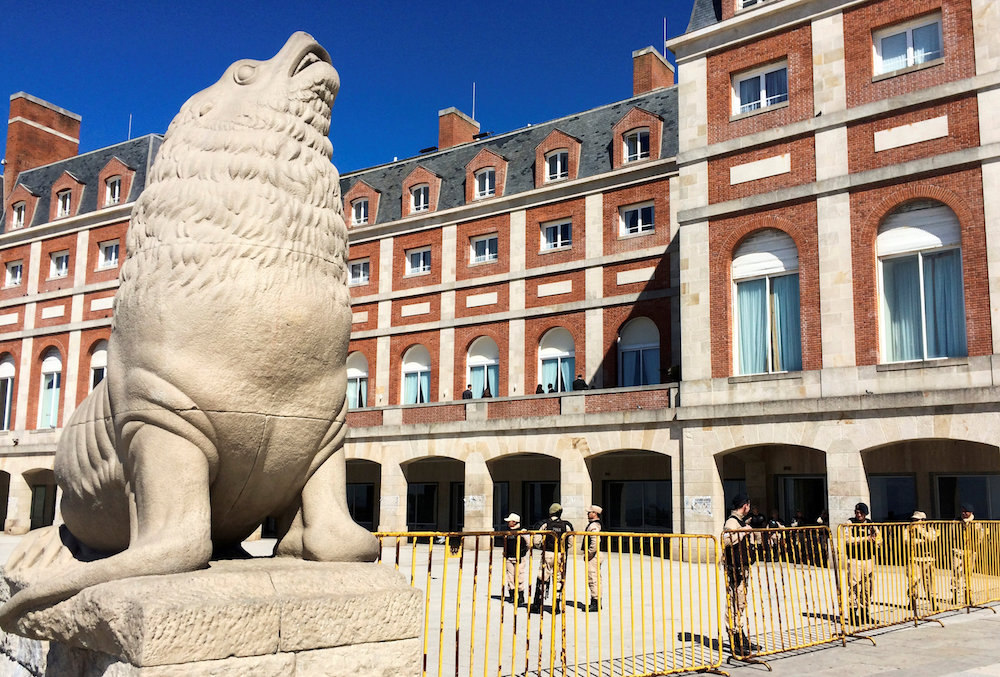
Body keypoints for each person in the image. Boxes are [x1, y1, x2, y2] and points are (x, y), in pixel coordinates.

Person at [723, 494, 759, 657]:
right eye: (748, 505)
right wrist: (743, 532)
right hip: (734, 569)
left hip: (742, 568)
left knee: (741, 602)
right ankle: (735, 637)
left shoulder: (741, 522)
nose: (749, 508)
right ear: (744, 505)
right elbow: (726, 540)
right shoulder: (731, 522)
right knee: (734, 602)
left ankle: (740, 635)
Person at [529, 502, 574, 614]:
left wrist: (540, 546)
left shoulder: (545, 524)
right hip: (560, 554)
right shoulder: (566, 525)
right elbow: (570, 541)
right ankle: (556, 605)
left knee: (543, 576)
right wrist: (564, 548)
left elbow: (536, 538)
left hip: (548, 553)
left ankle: (537, 604)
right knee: (559, 578)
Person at [844, 502, 880, 627]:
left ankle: (865, 613)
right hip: (855, 559)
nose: (859, 515)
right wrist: (865, 539)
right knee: (854, 586)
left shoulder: (871, 524)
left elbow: (879, 538)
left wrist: (877, 541)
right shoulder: (850, 523)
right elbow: (848, 540)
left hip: (868, 559)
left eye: (861, 513)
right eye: (857, 512)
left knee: (867, 586)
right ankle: (853, 614)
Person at [951, 502, 985, 605]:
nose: (964, 513)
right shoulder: (956, 521)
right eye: (963, 511)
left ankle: (968, 595)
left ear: (971, 512)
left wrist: (973, 547)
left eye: (967, 512)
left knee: (968, 574)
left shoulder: (976, 523)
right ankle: (955, 594)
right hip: (958, 550)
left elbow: (980, 537)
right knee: (956, 573)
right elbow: (953, 534)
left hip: (970, 551)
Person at [905, 510, 937, 613]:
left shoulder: (929, 528)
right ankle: (913, 600)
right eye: (913, 520)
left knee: (929, 582)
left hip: (928, 559)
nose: (914, 522)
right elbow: (907, 541)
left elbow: (932, 538)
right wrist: (921, 541)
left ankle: (933, 602)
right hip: (914, 559)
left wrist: (921, 532)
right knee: (913, 581)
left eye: (916, 520)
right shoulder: (908, 529)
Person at [501, 513, 529, 606]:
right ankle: (512, 595)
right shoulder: (507, 532)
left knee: (519, 576)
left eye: (510, 521)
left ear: (514, 522)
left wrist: (524, 552)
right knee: (510, 577)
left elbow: (529, 543)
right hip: (509, 557)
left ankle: (521, 595)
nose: (508, 523)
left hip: (519, 557)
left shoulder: (522, 532)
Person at [583, 505, 603, 611]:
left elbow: (595, 541)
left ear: (595, 513)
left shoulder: (594, 526)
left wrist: (589, 553)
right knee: (596, 578)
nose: (588, 514)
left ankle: (595, 602)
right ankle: (597, 600)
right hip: (596, 554)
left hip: (594, 555)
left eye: (590, 512)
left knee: (593, 578)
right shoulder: (594, 525)